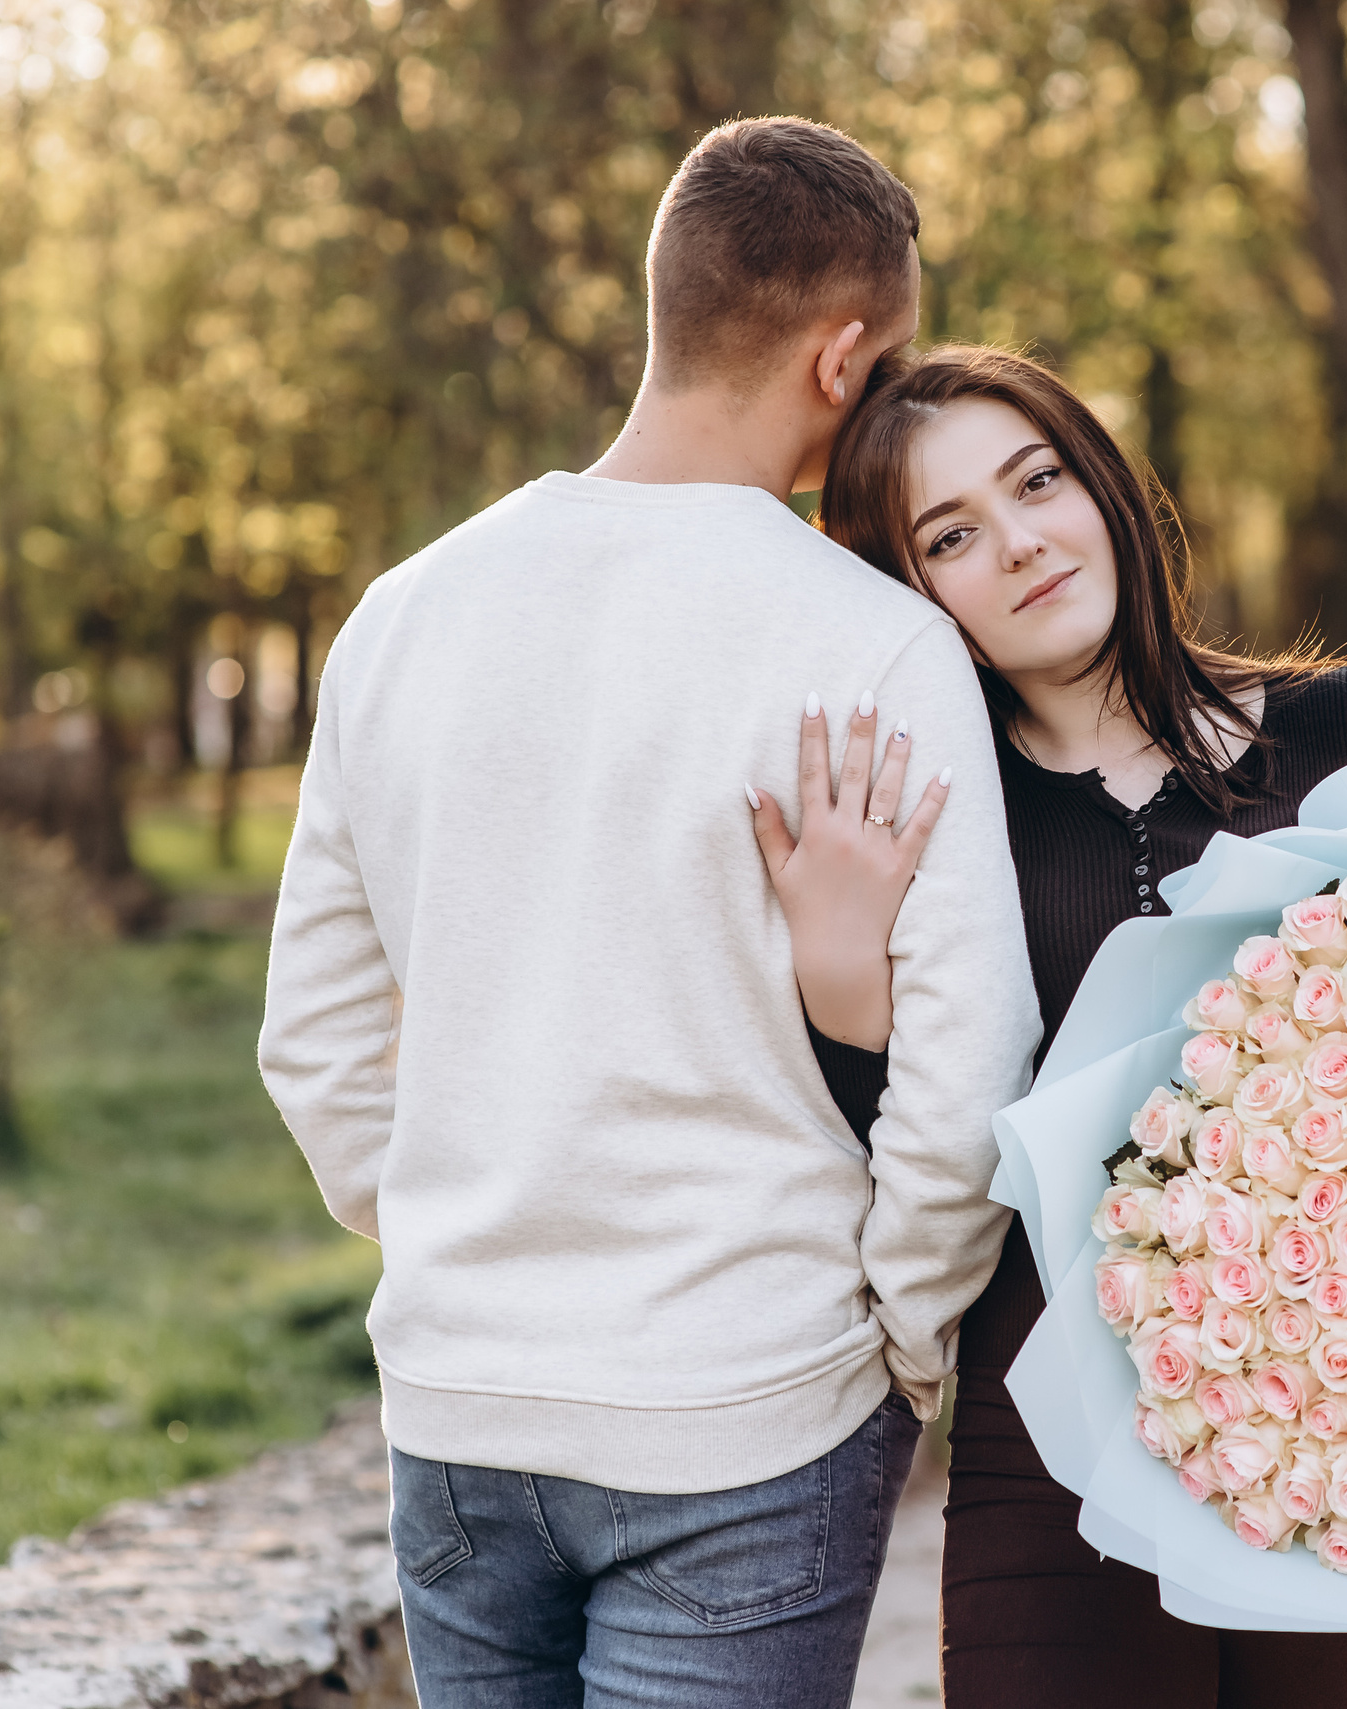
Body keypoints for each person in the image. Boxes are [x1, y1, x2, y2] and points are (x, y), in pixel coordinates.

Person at [258, 122, 1041, 1709]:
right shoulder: (879, 644)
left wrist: (459, 1238)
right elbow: (971, 1071)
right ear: (843, 358)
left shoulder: (402, 618)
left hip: (463, 1406)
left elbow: (319, 1041)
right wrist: (898, 1332)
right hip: (752, 1400)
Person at [752, 344, 1347, 1708]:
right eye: (952, 533)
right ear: (910, 589)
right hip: (1053, 1435)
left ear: (1102, 483)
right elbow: (871, 1149)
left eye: (1037, 480)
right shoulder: (931, 821)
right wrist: (837, 981)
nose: (1020, 542)